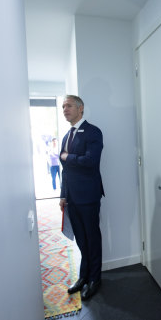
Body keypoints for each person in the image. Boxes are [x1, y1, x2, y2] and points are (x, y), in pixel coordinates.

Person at [59, 95, 105, 300]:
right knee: (81, 239)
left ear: (81, 108)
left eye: (68, 105)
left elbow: (91, 161)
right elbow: (66, 171)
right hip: (72, 198)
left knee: (92, 238)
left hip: (88, 196)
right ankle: (83, 276)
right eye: (63, 107)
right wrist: (63, 195)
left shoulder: (93, 132)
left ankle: (95, 278)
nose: (65, 109)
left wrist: (68, 157)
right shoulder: (66, 136)